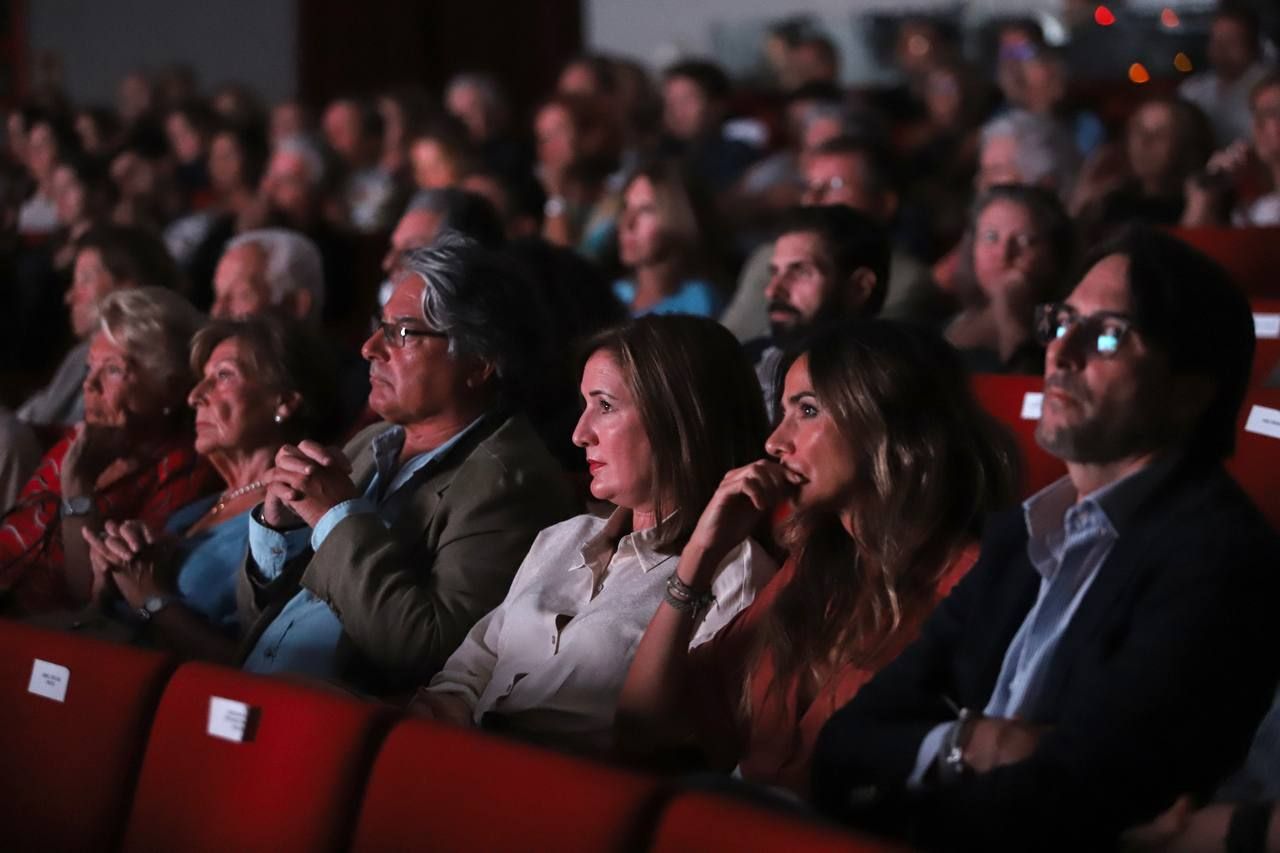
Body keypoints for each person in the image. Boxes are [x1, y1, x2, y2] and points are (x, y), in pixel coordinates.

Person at [810, 226, 1280, 851]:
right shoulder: (1024, 533)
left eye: (1109, 334)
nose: (1060, 353)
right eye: (1062, 323)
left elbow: (1075, 801)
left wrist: (899, 805)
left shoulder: (1217, 560)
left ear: (1191, 389)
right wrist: (966, 744)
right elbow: (848, 742)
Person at [617, 319, 1017, 796]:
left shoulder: (973, 585)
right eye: (783, 411)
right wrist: (700, 557)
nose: (775, 442)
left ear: (884, 421)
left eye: (807, 410)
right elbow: (639, 729)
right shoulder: (815, 566)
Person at [415, 315, 777, 753]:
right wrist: (445, 715)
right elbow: (469, 670)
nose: (579, 433)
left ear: (679, 420)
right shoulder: (564, 538)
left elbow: (674, 740)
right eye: (584, 405)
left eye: (604, 406)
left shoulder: (734, 572)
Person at [236, 233, 577, 694]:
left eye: (402, 333)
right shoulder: (374, 441)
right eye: (380, 326)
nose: (369, 348)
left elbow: (428, 652)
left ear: (479, 361)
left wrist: (336, 519)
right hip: (260, 690)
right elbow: (264, 622)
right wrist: (278, 533)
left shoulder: (508, 481)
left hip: (342, 725)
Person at [81, 316, 332, 661]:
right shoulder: (193, 512)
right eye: (201, 380)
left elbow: (255, 666)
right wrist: (109, 575)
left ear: (283, 401)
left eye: (223, 376)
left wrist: (149, 598)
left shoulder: (291, 520)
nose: (195, 395)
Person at [0, 287, 217, 615]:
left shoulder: (185, 469)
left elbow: (91, 595)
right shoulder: (86, 433)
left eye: (114, 370)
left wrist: (79, 490)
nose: (89, 385)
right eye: (91, 367)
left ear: (172, 389)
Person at [720, 136, 945, 342]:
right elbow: (728, 340)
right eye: (809, 186)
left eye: (834, 185)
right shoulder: (767, 257)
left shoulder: (908, 282)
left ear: (885, 203)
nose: (813, 198)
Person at [743, 205, 889, 405]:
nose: (773, 290)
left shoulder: (883, 383)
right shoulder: (745, 361)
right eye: (775, 272)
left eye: (800, 271)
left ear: (859, 287)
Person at [944, 184, 1075, 374]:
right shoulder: (947, 324)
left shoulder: (1065, 336)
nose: (1004, 254)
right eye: (990, 237)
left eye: (1025, 241)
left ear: (1054, 254)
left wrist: (1011, 320)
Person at [612, 161, 727, 318]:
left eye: (646, 210)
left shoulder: (699, 300)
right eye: (626, 207)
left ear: (676, 216)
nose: (627, 223)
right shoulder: (616, 292)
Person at [1179, 5, 1272, 147]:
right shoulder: (1192, 91)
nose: (1221, 49)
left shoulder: (1270, 89)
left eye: (1231, 42)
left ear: (1252, 46)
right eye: (1216, 41)